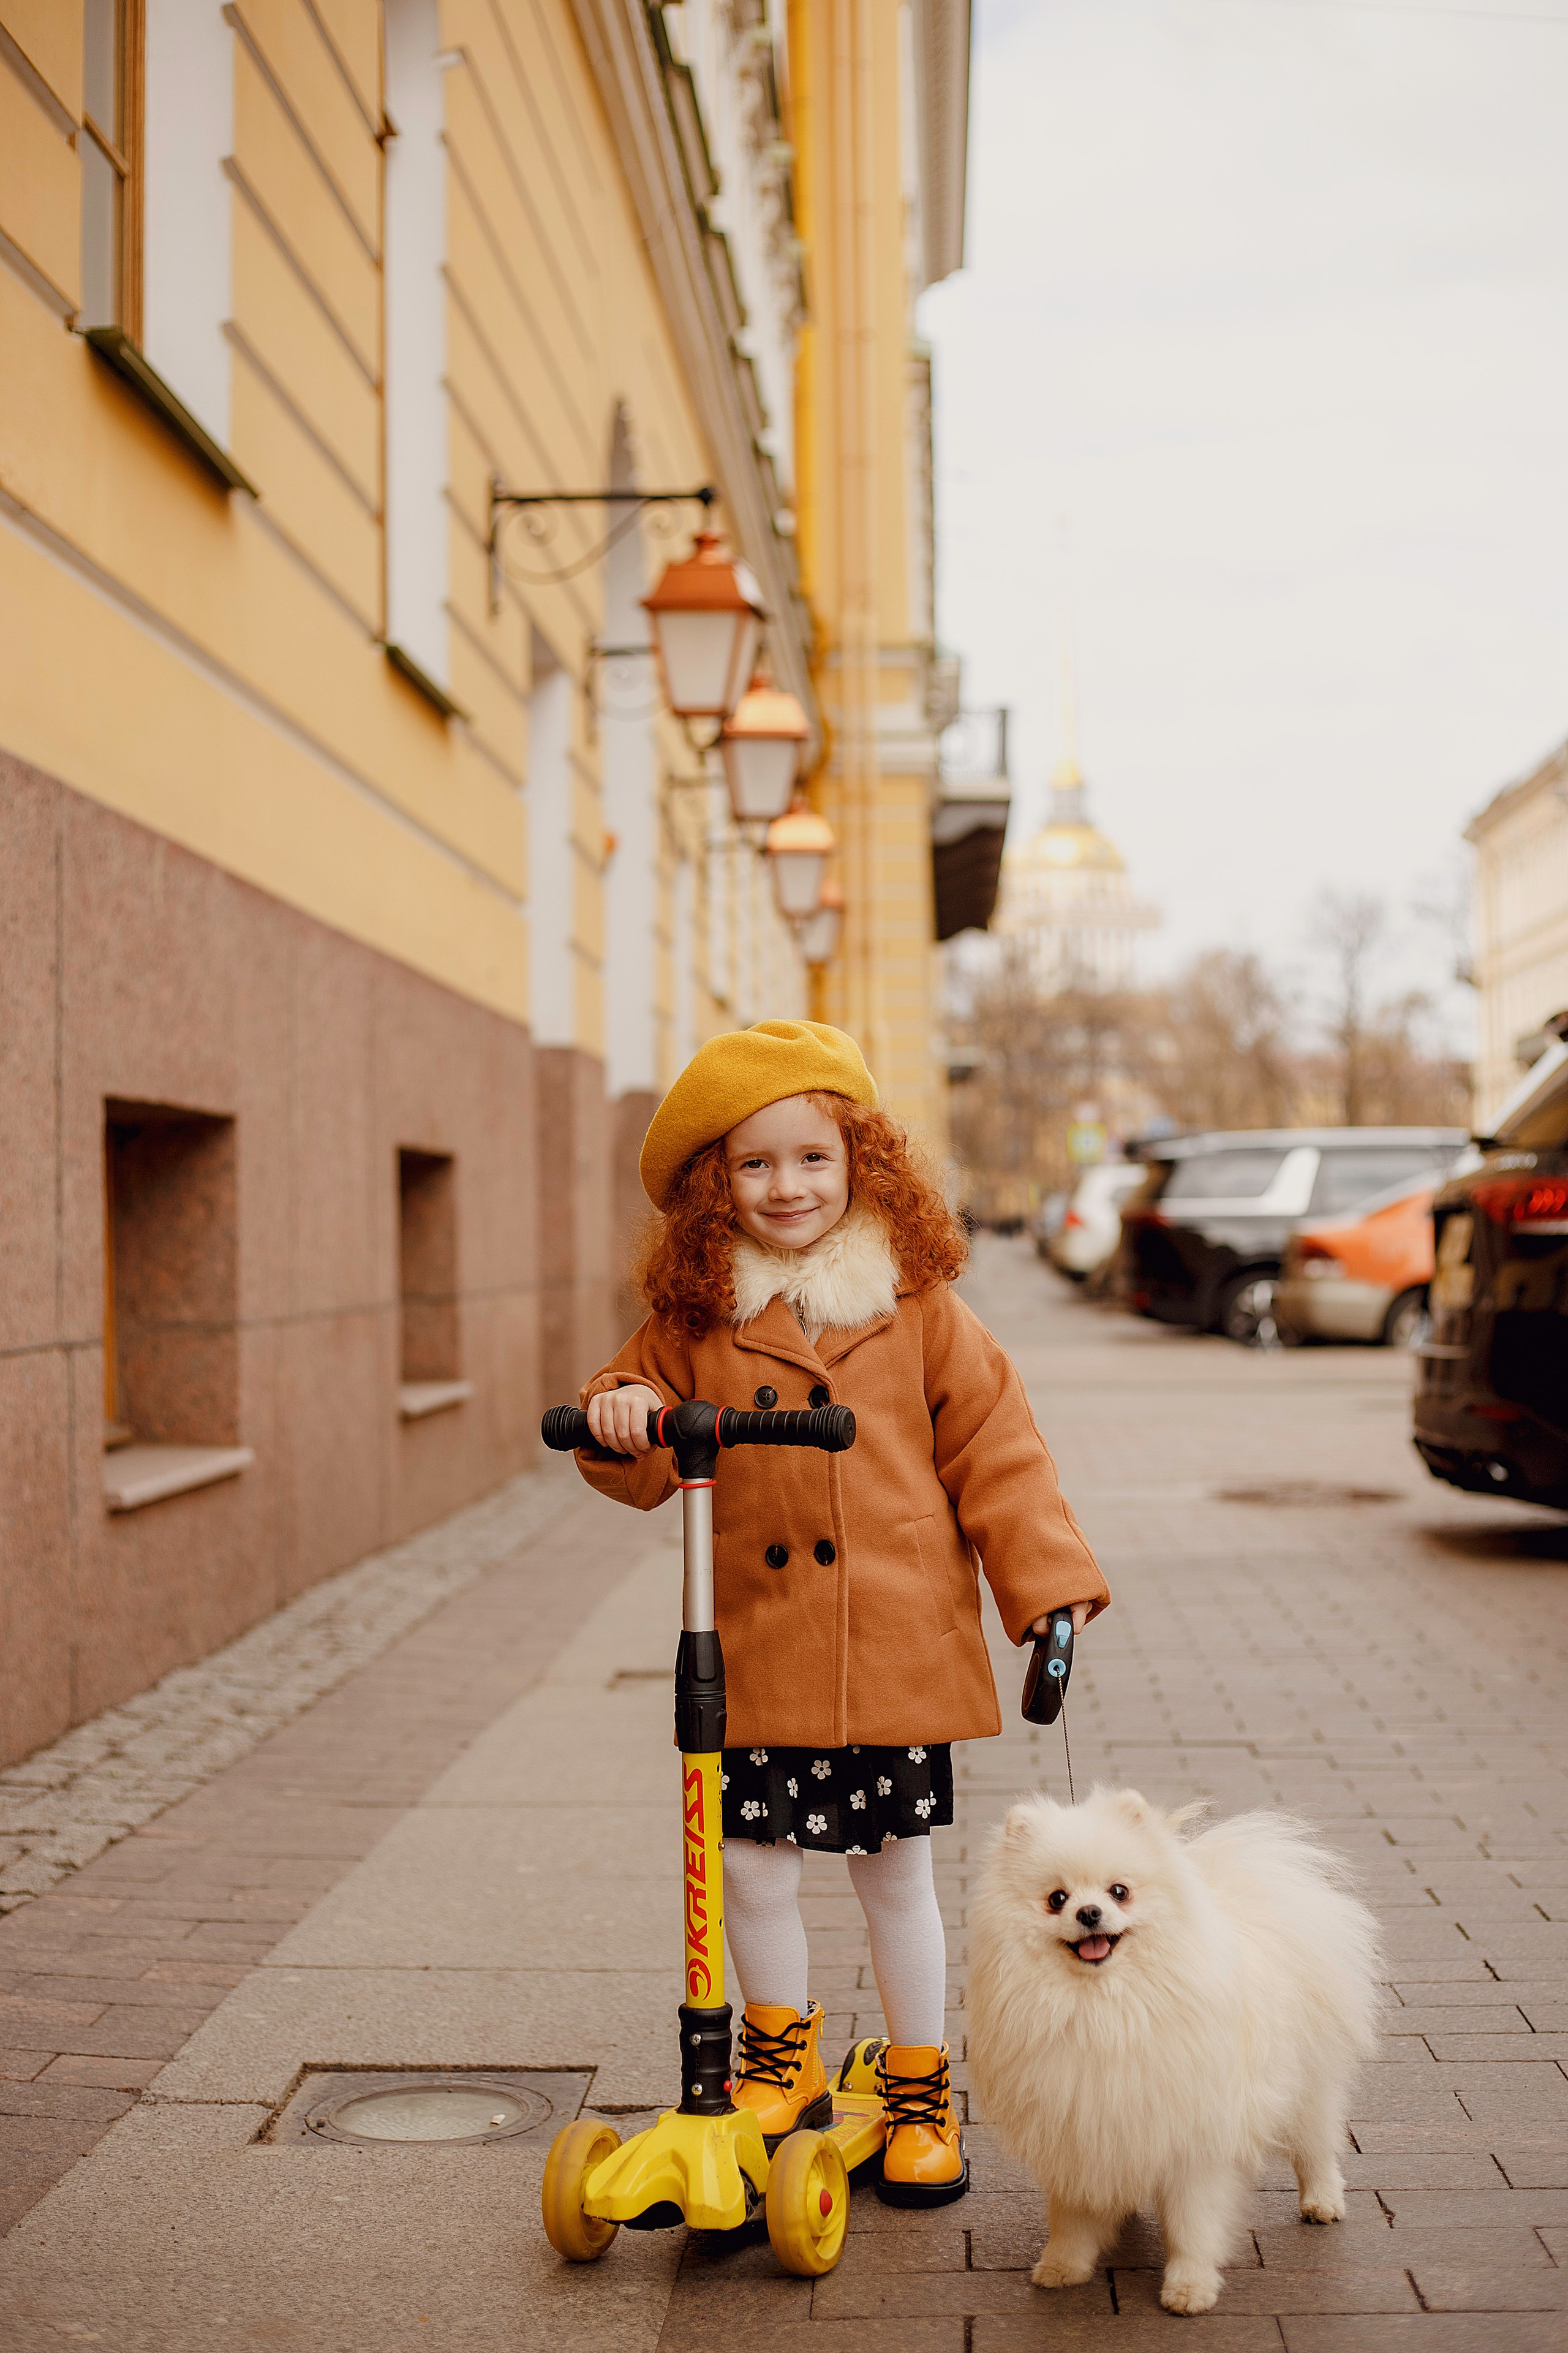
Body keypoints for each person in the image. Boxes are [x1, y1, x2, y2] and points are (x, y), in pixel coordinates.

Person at [575, 1019, 1109, 2205]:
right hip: (759, 1649)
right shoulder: (698, 1315)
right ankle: (779, 2060)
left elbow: (997, 1452)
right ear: (716, 1186)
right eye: (754, 1165)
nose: (787, 1187)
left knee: (891, 1874)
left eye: (813, 1158)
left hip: (889, 1651)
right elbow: (632, 1415)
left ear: (861, 1162)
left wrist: (1048, 1596)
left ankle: (917, 2084)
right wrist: (617, 1412)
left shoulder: (916, 1307)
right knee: (753, 1870)